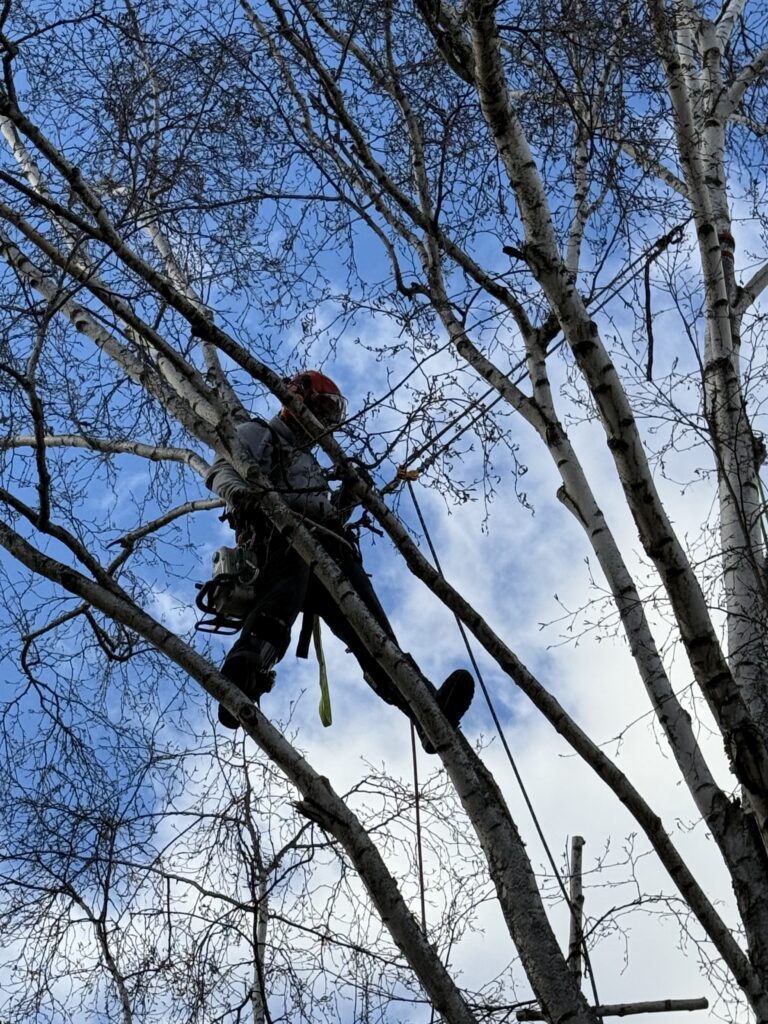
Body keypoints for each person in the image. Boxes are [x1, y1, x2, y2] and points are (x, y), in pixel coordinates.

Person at [205, 370, 474, 752]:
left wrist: (349, 496)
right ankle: (245, 670)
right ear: (296, 399)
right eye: (320, 409)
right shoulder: (259, 433)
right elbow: (223, 470)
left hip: (332, 549)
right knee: (279, 601)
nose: (324, 421)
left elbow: (327, 512)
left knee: (373, 633)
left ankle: (426, 712)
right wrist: (244, 498)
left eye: (329, 415)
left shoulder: (310, 461)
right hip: (282, 536)